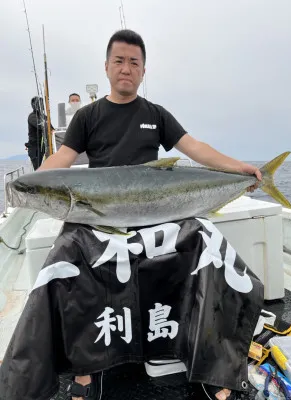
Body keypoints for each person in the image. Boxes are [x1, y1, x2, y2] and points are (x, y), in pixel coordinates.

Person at [39, 29, 261, 400]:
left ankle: (213, 364)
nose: (126, 68)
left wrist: (240, 168)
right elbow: (63, 158)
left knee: (211, 244)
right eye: (119, 61)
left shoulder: (156, 114)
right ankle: (83, 371)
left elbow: (196, 148)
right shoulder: (88, 116)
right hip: (102, 216)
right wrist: (34, 182)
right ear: (107, 67)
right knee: (62, 257)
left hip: (156, 215)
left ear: (143, 71)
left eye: (134, 63)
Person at [25, 96, 47, 170]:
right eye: (38, 103)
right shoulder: (32, 117)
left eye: (41, 103)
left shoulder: (44, 117)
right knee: (37, 168)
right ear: (33, 105)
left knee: (44, 166)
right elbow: (41, 126)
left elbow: (50, 128)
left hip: (43, 147)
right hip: (34, 148)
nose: (41, 105)